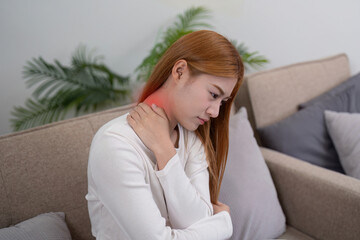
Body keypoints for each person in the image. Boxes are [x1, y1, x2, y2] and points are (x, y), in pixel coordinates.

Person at [86, 30, 244, 240]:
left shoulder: (192, 140)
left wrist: (164, 149)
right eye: (213, 95)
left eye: (222, 102)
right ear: (179, 71)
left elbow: (197, 221)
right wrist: (223, 224)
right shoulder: (115, 145)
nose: (215, 112)